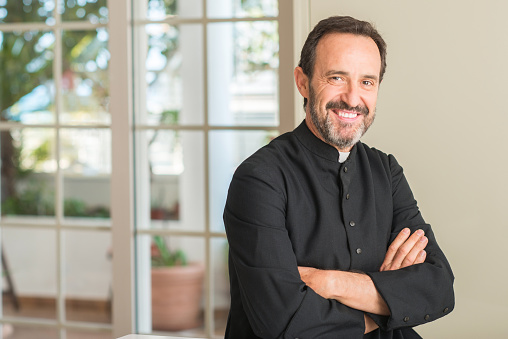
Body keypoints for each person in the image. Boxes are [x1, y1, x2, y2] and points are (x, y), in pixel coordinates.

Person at [223, 15, 454, 338]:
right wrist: (391, 303)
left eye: (367, 82)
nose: (352, 98)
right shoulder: (259, 179)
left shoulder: (386, 171)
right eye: (336, 78)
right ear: (303, 82)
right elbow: (283, 321)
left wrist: (331, 283)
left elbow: (438, 286)